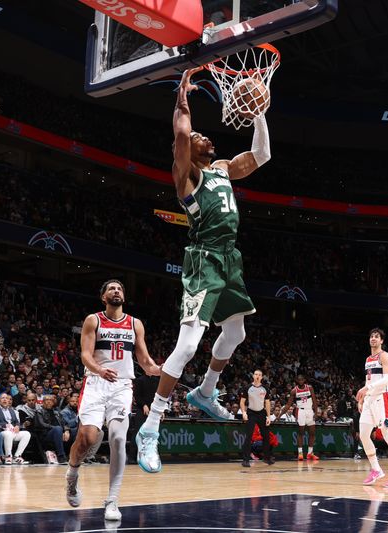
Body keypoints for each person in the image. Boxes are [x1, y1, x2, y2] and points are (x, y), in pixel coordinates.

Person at [136, 66, 271, 475]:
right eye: (198, 138)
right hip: (204, 261)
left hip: (230, 259)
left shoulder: (222, 169)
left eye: (203, 137)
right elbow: (180, 135)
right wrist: (182, 99)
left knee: (237, 332)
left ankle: (205, 392)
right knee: (190, 344)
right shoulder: (187, 175)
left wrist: (259, 112)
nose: (202, 137)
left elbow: (261, 155)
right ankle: (152, 425)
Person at [66, 280, 160, 522]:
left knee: (118, 438)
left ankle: (112, 499)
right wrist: (99, 370)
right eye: (111, 289)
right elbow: (85, 355)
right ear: (103, 297)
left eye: (120, 288)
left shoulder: (134, 324)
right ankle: (72, 476)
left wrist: (163, 369)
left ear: (124, 297)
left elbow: (146, 362)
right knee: (87, 438)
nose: (116, 291)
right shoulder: (93, 320)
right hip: (96, 383)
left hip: (121, 386)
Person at [356, 328, 388, 487]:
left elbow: (387, 380)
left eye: (376, 337)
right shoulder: (367, 359)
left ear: (382, 341)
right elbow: (368, 380)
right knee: (363, 435)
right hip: (369, 400)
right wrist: (363, 397)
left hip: (382, 398)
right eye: (371, 336)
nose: (373, 338)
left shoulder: (385, 356)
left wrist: (367, 389)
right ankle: (376, 469)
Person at [240, 369, 274, 468]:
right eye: (256, 374)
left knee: (266, 436)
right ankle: (245, 460)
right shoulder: (247, 388)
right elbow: (242, 402)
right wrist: (244, 412)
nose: (257, 376)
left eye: (259, 375)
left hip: (262, 413)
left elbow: (267, 403)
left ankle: (266, 458)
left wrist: (268, 416)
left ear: (262, 377)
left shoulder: (265, 388)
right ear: (253, 376)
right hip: (251, 413)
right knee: (249, 437)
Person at [280, 374, 319, 461]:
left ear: (304, 380)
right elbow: (288, 404)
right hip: (300, 411)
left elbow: (314, 400)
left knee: (312, 433)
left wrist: (316, 412)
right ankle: (300, 453)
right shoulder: (294, 391)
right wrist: (280, 415)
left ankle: (310, 453)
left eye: (302, 379)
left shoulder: (310, 388)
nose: (300, 381)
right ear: (297, 381)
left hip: (309, 410)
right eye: (299, 380)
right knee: (301, 432)